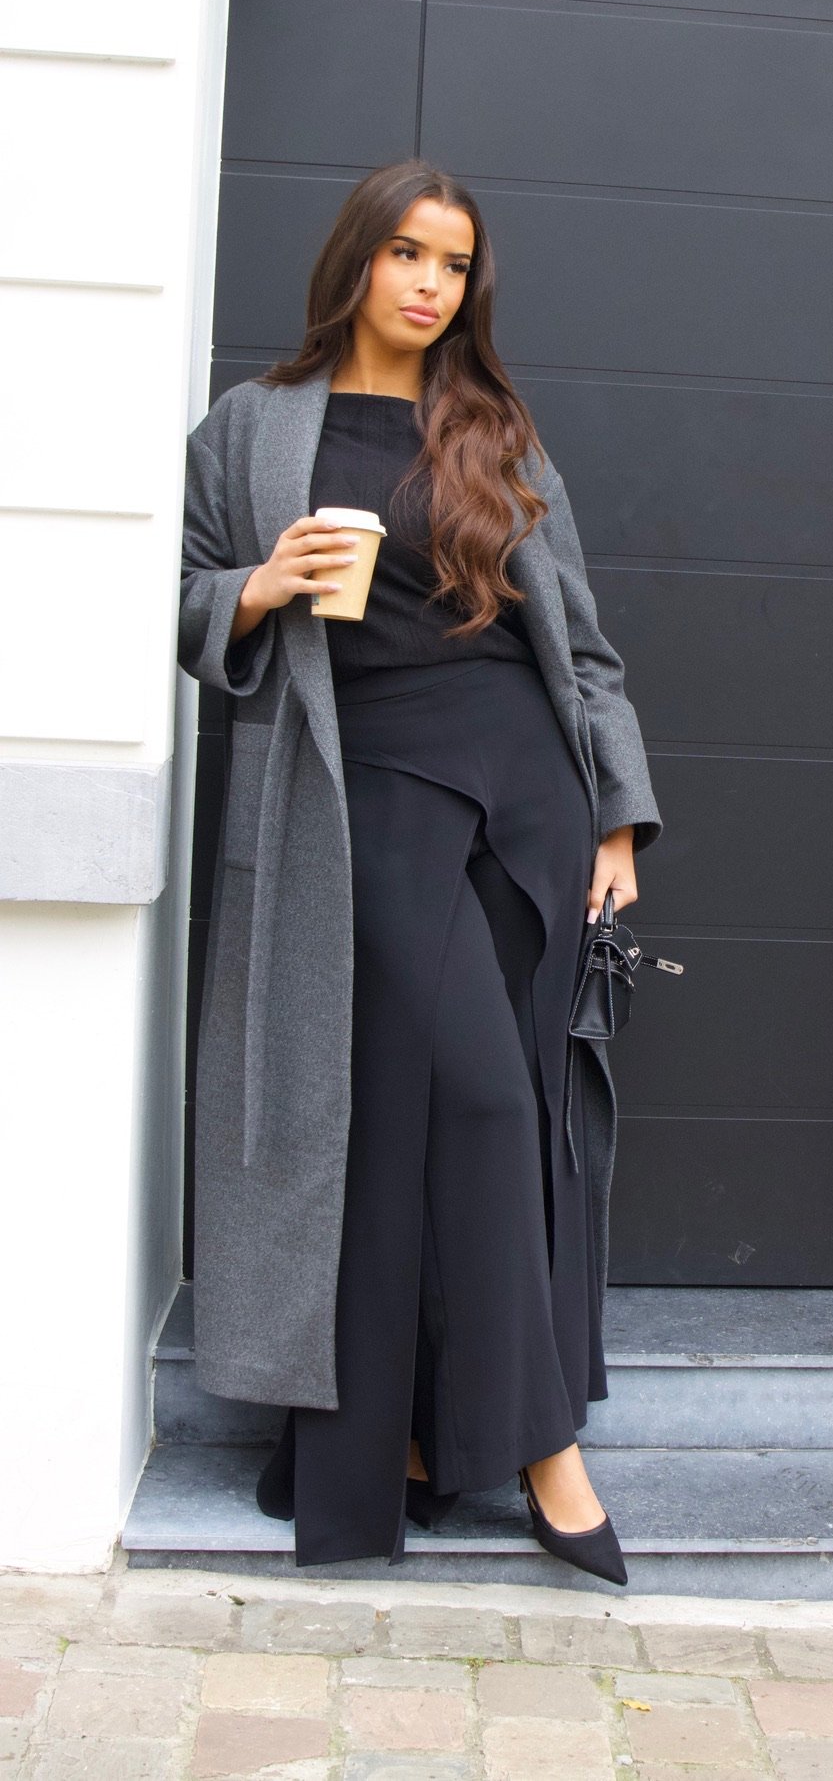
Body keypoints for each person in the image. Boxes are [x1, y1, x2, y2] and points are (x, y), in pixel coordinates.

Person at [177, 159, 662, 1581]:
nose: (429, 283)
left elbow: (579, 644)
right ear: (357, 260)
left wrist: (617, 819)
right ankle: (544, 1454)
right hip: (361, 795)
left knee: (467, 1118)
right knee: (461, 1101)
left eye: (452, 263)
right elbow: (183, 592)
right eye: (405, 252)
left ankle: (402, 1440)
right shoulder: (252, 428)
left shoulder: (495, 433)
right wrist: (260, 588)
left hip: (524, 801)